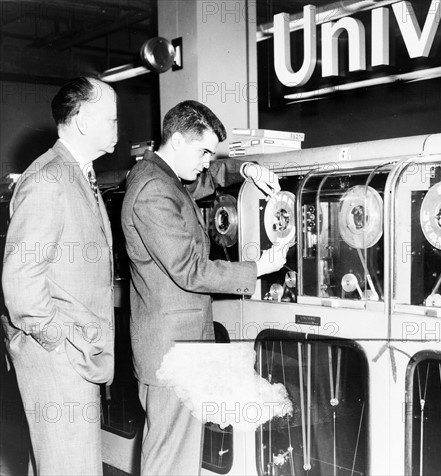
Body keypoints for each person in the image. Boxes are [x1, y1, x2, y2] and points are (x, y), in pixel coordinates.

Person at [121, 100, 287, 475]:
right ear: (178, 141)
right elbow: (190, 270)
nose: (207, 161)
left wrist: (246, 168)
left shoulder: (162, 178)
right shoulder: (153, 190)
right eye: (204, 151)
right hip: (171, 354)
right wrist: (258, 267)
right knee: (169, 461)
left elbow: (208, 179)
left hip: (181, 348)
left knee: (181, 458)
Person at [1, 77, 118, 475]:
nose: (118, 127)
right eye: (112, 119)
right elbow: (20, 282)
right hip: (60, 360)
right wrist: (61, 345)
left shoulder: (76, 174)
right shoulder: (48, 179)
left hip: (72, 356)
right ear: (83, 121)